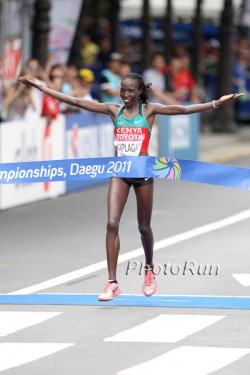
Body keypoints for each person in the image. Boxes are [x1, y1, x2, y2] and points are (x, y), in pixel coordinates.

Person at [19, 72, 243, 301]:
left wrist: (217, 103)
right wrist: (41, 88)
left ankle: (148, 269)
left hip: (142, 173)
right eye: (122, 90)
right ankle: (112, 282)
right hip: (119, 173)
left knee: (144, 227)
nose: (125, 95)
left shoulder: (150, 110)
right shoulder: (112, 110)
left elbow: (183, 110)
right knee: (111, 223)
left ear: (139, 92)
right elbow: (76, 101)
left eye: (129, 91)